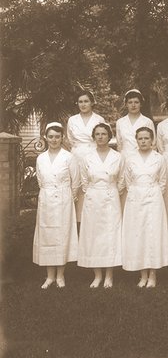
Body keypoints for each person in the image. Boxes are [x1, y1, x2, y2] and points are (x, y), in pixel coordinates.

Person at [121, 127, 168, 287]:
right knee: (139, 234)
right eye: (140, 139)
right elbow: (128, 181)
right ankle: (142, 274)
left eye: (146, 138)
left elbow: (162, 181)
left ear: (152, 140)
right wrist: (137, 192)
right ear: (136, 140)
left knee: (153, 234)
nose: (143, 141)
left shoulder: (159, 158)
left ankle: (153, 274)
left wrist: (152, 193)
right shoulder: (130, 158)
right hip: (135, 198)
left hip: (154, 198)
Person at [33, 122, 79, 289]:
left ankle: (60, 275)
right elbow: (40, 180)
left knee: (61, 235)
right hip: (46, 200)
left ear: (62, 138)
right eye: (50, 136)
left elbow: (76, 182)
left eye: (57, 137)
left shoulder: (69, 157)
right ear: (45, 137)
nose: (54, 140)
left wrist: (69, 198)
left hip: (63, 200)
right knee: (47, 235)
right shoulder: (41, 158)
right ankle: (49, 276)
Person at [78, 123, 122, 288]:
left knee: (110, 234)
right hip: (93, 198)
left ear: (109, 136)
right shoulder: (87, 157)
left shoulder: (117, 157)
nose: (101, 137)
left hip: (111, 198)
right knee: (94, 235)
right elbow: (84, 180)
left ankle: (109, 275)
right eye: (97, 134)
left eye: (104, 134)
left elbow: (122, 180)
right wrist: (92, 192)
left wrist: (110, 190)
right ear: (93, 137)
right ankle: (97, 275)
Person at [67, 91, 105, 222]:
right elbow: (71, 139)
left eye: (86, 101)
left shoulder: (99, 119)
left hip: (94, 152)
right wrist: (78, 150)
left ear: (92, 102)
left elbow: (102, 137)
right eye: (80, 102)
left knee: (92, 184)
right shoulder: (72, 120)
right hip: (77, 154)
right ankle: (77, 221)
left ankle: (93, 220)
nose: (83, 104)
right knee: (77, 186)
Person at [115, 89, 155, 155]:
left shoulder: (147, 122)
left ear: (141, 104)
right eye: (130, 102)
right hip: (125, 158)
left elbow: (153, 144)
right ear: (126, 104)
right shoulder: (120, 122)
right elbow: (119, 144)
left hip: (143, 158)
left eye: (136, 102)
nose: (133, 105)